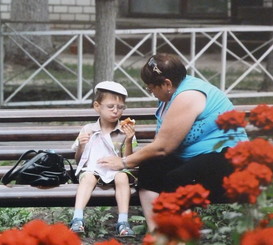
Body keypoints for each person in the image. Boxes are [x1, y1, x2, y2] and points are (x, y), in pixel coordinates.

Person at [97, 53, 249, 232]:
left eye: (151, 87)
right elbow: (160, 146)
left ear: (167, 84)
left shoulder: (188, 96)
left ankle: (182, 237)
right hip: (194, 158)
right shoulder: (169, 97)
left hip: (228, 158)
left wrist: (123, 162)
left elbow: (163, 147)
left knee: (176, 179)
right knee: (150, 168)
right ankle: (157, 235)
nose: (151, 92)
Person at [69, 81, 137, 237]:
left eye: (120, 108)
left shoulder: (123, 130)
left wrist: (128, 140)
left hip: (116, 170)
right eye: (111, 106)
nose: (116, 111)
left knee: (122, 177)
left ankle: (123, 221)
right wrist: (81, 145)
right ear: (97, 106)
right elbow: (79, 160)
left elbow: (128, 159)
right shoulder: (88, 129)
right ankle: (77, 218)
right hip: (93, 169)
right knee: (87, 178)